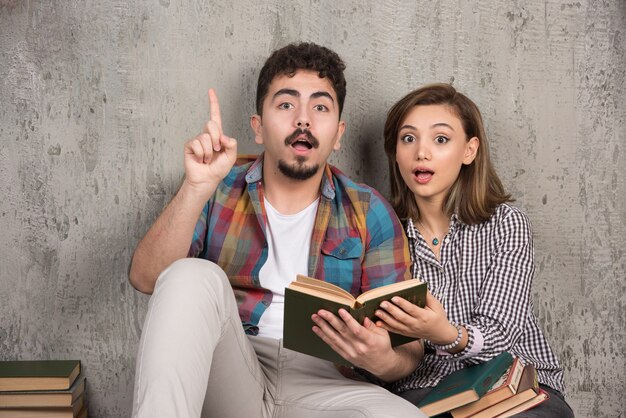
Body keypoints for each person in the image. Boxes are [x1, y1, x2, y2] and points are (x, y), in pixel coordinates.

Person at [128, 42, 426, 418]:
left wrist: (383, 358)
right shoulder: (217, 187)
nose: (303, 120)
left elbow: (409, 351)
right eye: (286, 105)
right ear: (258, 126)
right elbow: (145, 277)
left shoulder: (370, 212)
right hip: (234, 371)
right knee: (190, 274)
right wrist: (195, 188)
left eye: (320, 107)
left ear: (338, 134)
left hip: (327, 385)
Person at [376, 83, 574, 416]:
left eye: (440, 140)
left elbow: (501, 336)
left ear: (469, 151)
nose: (421, 153)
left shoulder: (506, 224)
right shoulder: (382, 231)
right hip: (423, 390)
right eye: (408, 139)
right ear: (395, 152)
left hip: (510, 382)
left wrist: (445, 333)